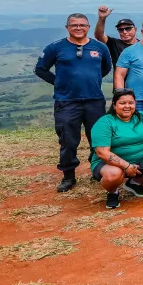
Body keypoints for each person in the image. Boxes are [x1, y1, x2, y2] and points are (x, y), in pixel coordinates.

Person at [35, 13, 113, 192]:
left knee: (98, 138)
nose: (78, 28)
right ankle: (68, 176)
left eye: (82, 25)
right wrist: (60, 83)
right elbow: (41, 69)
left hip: (95, 100)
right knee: (68, 140)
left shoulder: (100, 47)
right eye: (74, 25)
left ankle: (97, 170)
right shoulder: (56, 47)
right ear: (67, 27)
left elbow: (106, 68)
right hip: (67, 102)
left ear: (88, 27)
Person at [91, 88, 143, 209]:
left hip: (140, 158)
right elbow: (102, 152)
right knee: (114, 174)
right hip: (110, 164)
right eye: (122, 103)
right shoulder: (105, 122)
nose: (127, 106)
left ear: (135, 104)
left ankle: (134, 183)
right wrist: (126, 166)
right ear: (114, 104)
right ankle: (113, 192)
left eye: (131, 103)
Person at [94, 6, 137, 76]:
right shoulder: (114, 44)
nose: (125, 32)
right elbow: (99, 36)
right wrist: (102, 18)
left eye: (128, 29)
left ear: (135, 29)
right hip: (120, 85)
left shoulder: (142, 45)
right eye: (121, 30)